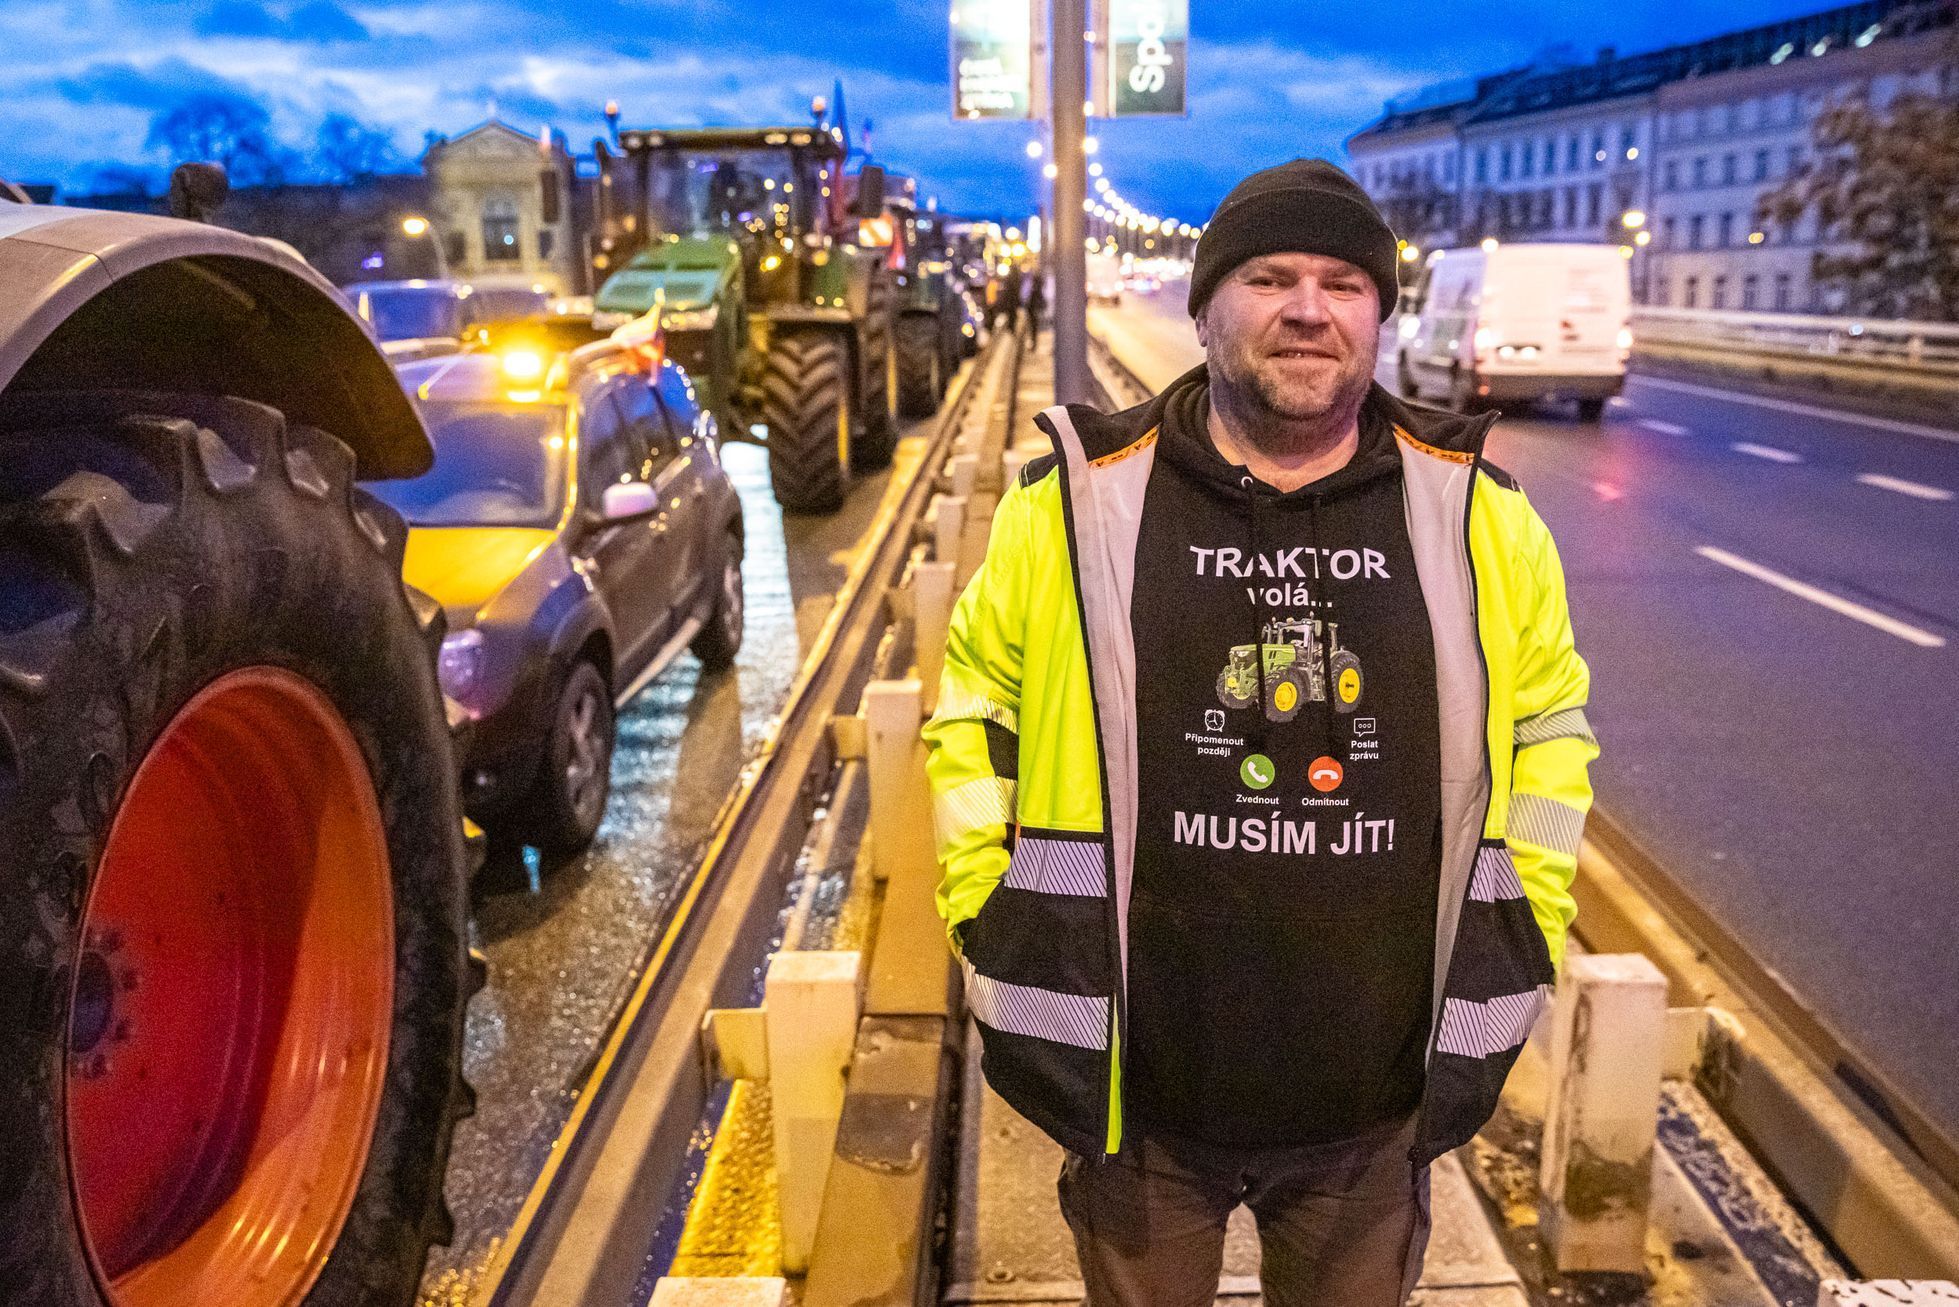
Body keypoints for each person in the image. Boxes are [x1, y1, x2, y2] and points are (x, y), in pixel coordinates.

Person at [922, 158, 1596, 1306]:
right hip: (1142, 1097)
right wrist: (994, 920)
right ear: (1203, 306)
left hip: (1373, 1106)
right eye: (1269, 276)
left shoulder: (1479, 516)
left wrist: (1522, 928)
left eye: (1343, 281)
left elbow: (1550, 735)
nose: (1307, 309)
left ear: (1380, 311)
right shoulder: (1075, 508)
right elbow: (974, 711)